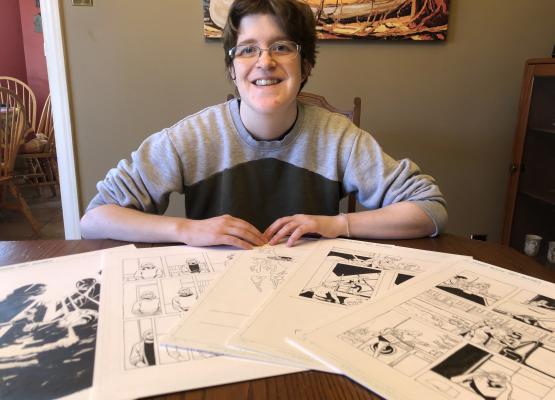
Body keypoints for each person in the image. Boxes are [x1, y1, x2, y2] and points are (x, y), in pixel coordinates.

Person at [80, 0, 447, 249]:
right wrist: (188, 230)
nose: (265, 61)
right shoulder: (191, 138)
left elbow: (429, 209)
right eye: (248, 49)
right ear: (232, 69)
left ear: (306, 67)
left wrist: (338, 224)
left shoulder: (339, 138)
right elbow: (95, 219)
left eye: (282, 47)